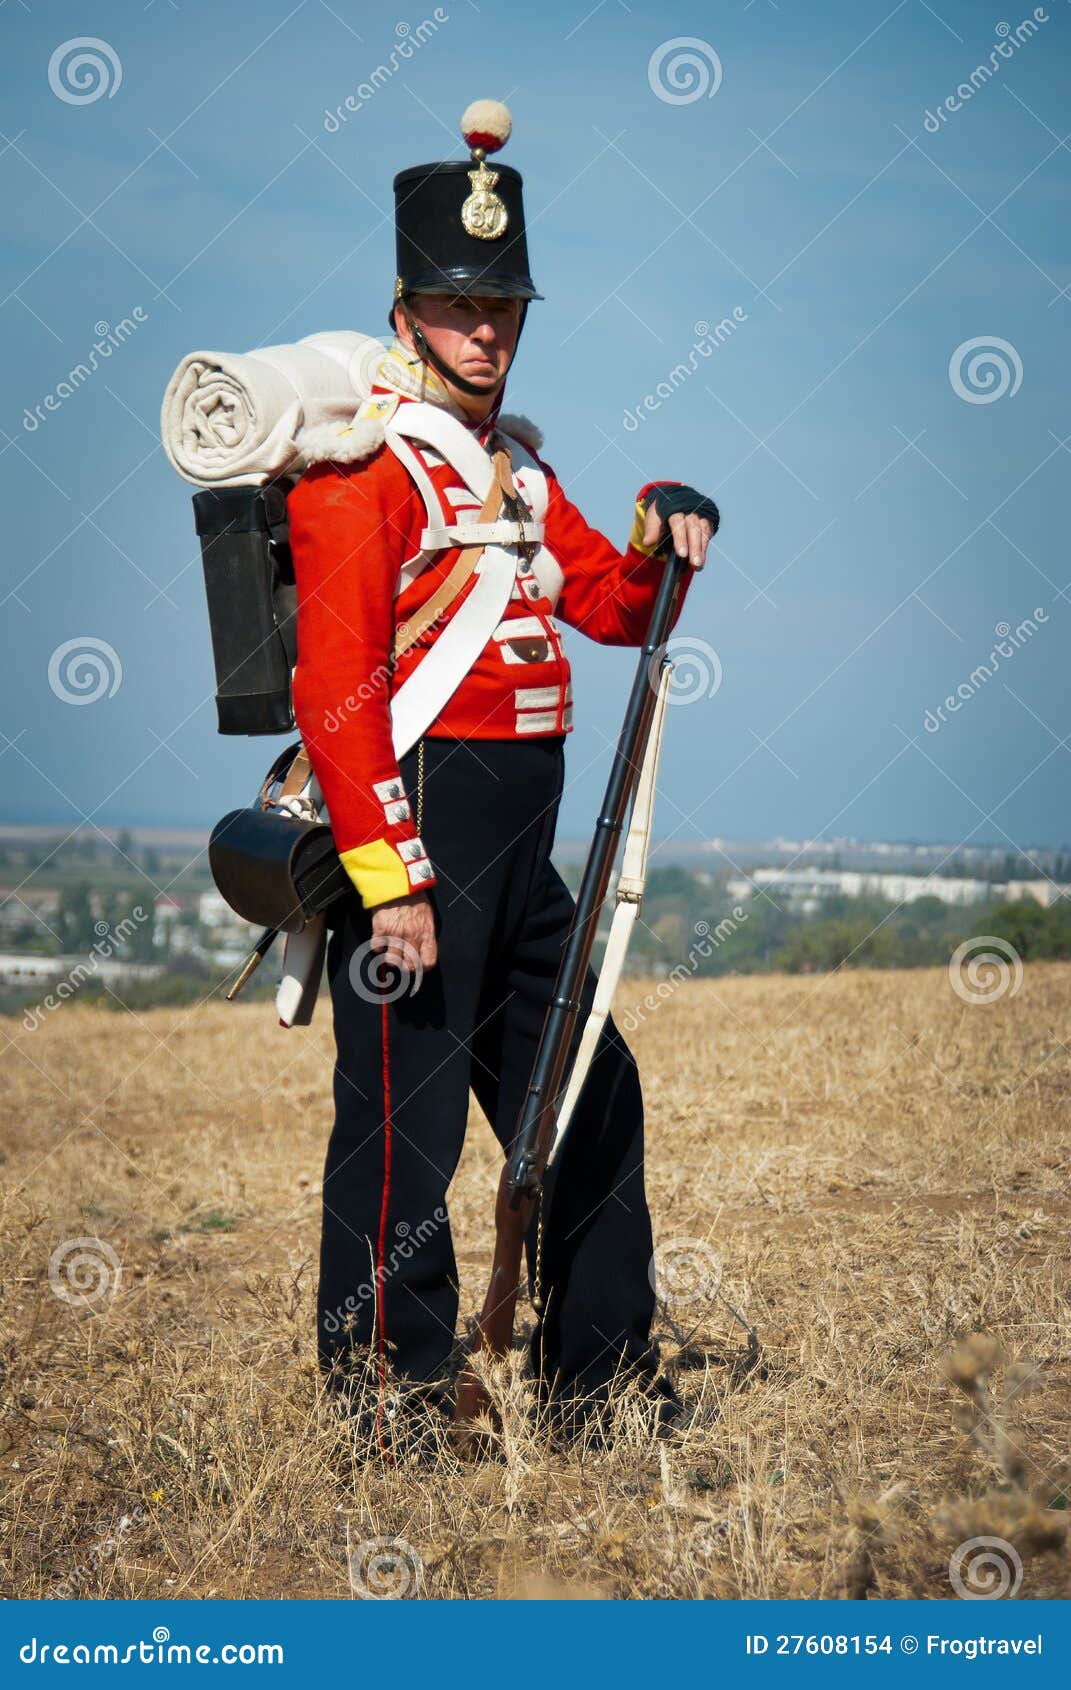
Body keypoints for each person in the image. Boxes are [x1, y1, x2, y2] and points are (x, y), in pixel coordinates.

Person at [285, 100, 718, 1447]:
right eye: (458, 305)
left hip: (524, 843)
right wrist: (393, 877)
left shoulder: (515, 468)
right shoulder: (359, 473)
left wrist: (666, 528)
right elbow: (337, 694)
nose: (486, 328)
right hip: (419, 823)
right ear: (406, 309)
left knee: (589, 1094)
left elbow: (611, 599)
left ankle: (596, 1384)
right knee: (405, 1134)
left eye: (503, 305)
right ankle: (394, 1403)